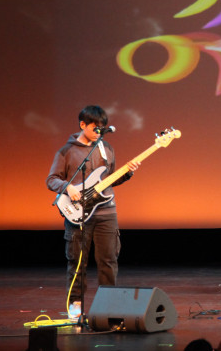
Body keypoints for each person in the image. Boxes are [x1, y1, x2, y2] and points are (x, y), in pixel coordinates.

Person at [46, 105, 139, 318]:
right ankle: (76, 304)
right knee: (77, 261)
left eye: (102, 128)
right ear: (82, 125)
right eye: (95, 128)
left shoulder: (106, 149)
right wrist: (67, 187)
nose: (99, 132)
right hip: (78, 214)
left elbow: (109, 181)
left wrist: (127, 174)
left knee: (108, 260)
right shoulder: (66, 151)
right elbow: (51, 180)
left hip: (106, 212)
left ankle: (110, 304)